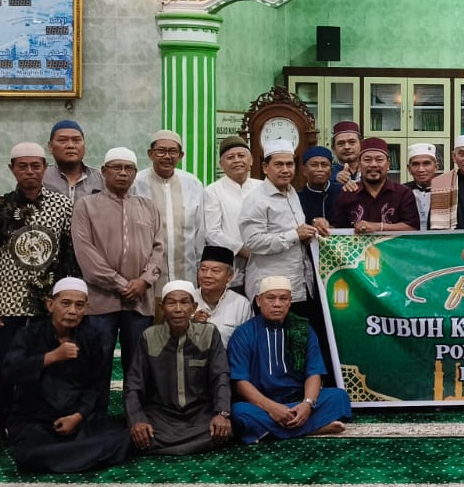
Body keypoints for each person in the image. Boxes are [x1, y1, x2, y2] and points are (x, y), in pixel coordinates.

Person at [0, 142, 80, 452]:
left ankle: (34, 425)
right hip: (7, 304)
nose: (29, 172)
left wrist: (68, 300)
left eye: (36, 166)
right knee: (1, 369)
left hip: (48, 306)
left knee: (44, 368)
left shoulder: (62, 205)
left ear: (45, 168)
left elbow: (69, 255)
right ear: (12, 169)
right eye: (22, 166)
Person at [4, 277, 130, 473]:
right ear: (50, 304)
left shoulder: (91, 338)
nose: (72, 311)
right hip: (36, 421)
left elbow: (95, 386)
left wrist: (77, 417)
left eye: (79, 305)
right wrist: (51, 357)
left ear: (86, 308)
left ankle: (66, 455)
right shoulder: (29, 334)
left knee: (125, 435)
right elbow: (10, 372)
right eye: (66, 303)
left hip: (76, 420)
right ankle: (82, 455)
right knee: (27, 454)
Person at [71, 147, 164, 382]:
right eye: (116, 168)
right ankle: (95, 408)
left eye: (129, 168)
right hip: (100, 301)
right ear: (104, 171)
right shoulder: (86, 205)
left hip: (139, 301)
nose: (123, 173)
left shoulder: (148, 207)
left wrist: (144, 281)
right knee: (96, 365)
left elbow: (158, 249)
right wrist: (122, 284)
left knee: (138, 367)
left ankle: (134, 408)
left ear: (135, 173)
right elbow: (85, 253)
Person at [227, 276, 351, 442]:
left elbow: (314, 372)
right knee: (239, 412)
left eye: (283, 298)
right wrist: (271, 408)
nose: (277, 304)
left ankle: (271, 431)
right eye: (271, 298)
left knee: (339, 397)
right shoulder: (244, 333)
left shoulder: (302, 329)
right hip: (261, 404)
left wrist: (307, 404)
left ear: (290, 302)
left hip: (298, 401)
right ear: (258, 301)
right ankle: (313, 429)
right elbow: (240, 383)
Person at [126, 280, 233, 456]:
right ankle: (189, 443)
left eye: (184, 302)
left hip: (199, 413)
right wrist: (137, 420)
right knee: (140, 432)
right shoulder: (149, 337)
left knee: (223, 428)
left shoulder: (208, 333)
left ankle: (166, 445)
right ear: (162, 308)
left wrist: (222, 413)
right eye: (171, 303)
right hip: (161, 415)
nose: (178, 309)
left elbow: (220, 376)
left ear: (194, 307)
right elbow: (134, 383)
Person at [239, 140, 328, 351]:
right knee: (273, 348)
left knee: (297, 347)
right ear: (265, 167)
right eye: (279, 164)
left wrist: (311, 229)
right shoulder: (257, 200)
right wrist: (294, 235)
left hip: (298, 286)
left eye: (290, 164)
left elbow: (295, 232)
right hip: (271, 290)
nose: (286, 170)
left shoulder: (291, 192)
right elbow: (253, 241)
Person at [130, 130, 204, 285]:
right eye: (161, 151)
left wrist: (201, 268)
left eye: (173, 151)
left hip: (186, 275)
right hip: (146, 277)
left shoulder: (193, 184)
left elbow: (200, 232)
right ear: (150, 154)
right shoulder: (135, 184)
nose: (167, 156)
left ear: (181, 155)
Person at [331, 138, 418, 232]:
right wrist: (322, 225)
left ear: (388, 164)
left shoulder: (403, 193)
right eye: (367, 160)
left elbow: (413, 227)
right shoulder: (348, 193)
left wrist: (378, 227)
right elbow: (337, 229)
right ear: (359, 165)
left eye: (379, 160)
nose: (373, 165)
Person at [202, 138, 254, 291]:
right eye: (230, 157)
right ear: (221, 164)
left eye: (241, 156)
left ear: (250, 160)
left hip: (262, 264)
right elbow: (212, 232)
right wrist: (242, 250)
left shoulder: (263, 187)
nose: (237, 160)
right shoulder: (212, 191)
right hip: (230, 266)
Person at [192, 244, 252, 342]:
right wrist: (191, 325)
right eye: (203, 269)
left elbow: (247, 342)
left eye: (215, 271)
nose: (207, 275)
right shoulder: (188, 299)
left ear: (230, 276)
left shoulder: (241, 304)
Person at [43, 119, 104, 200]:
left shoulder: (100, 179)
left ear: (84, 146)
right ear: (50, 146)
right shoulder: (41, 177)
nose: (70, 145)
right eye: (62, 140)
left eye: (76, 140)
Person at [297, 146, 341, 224]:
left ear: (331, 170)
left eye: (324, 165)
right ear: (304, 170)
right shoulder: (297, 198)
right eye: (314, 165)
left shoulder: (342, 192)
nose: (320, 169)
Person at [406, 143, 440, 230]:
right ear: (409, 169)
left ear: (436, 167)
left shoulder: (446, 191)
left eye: (426, 164)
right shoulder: (401, 192)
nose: (421, 169)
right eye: (416, 164)